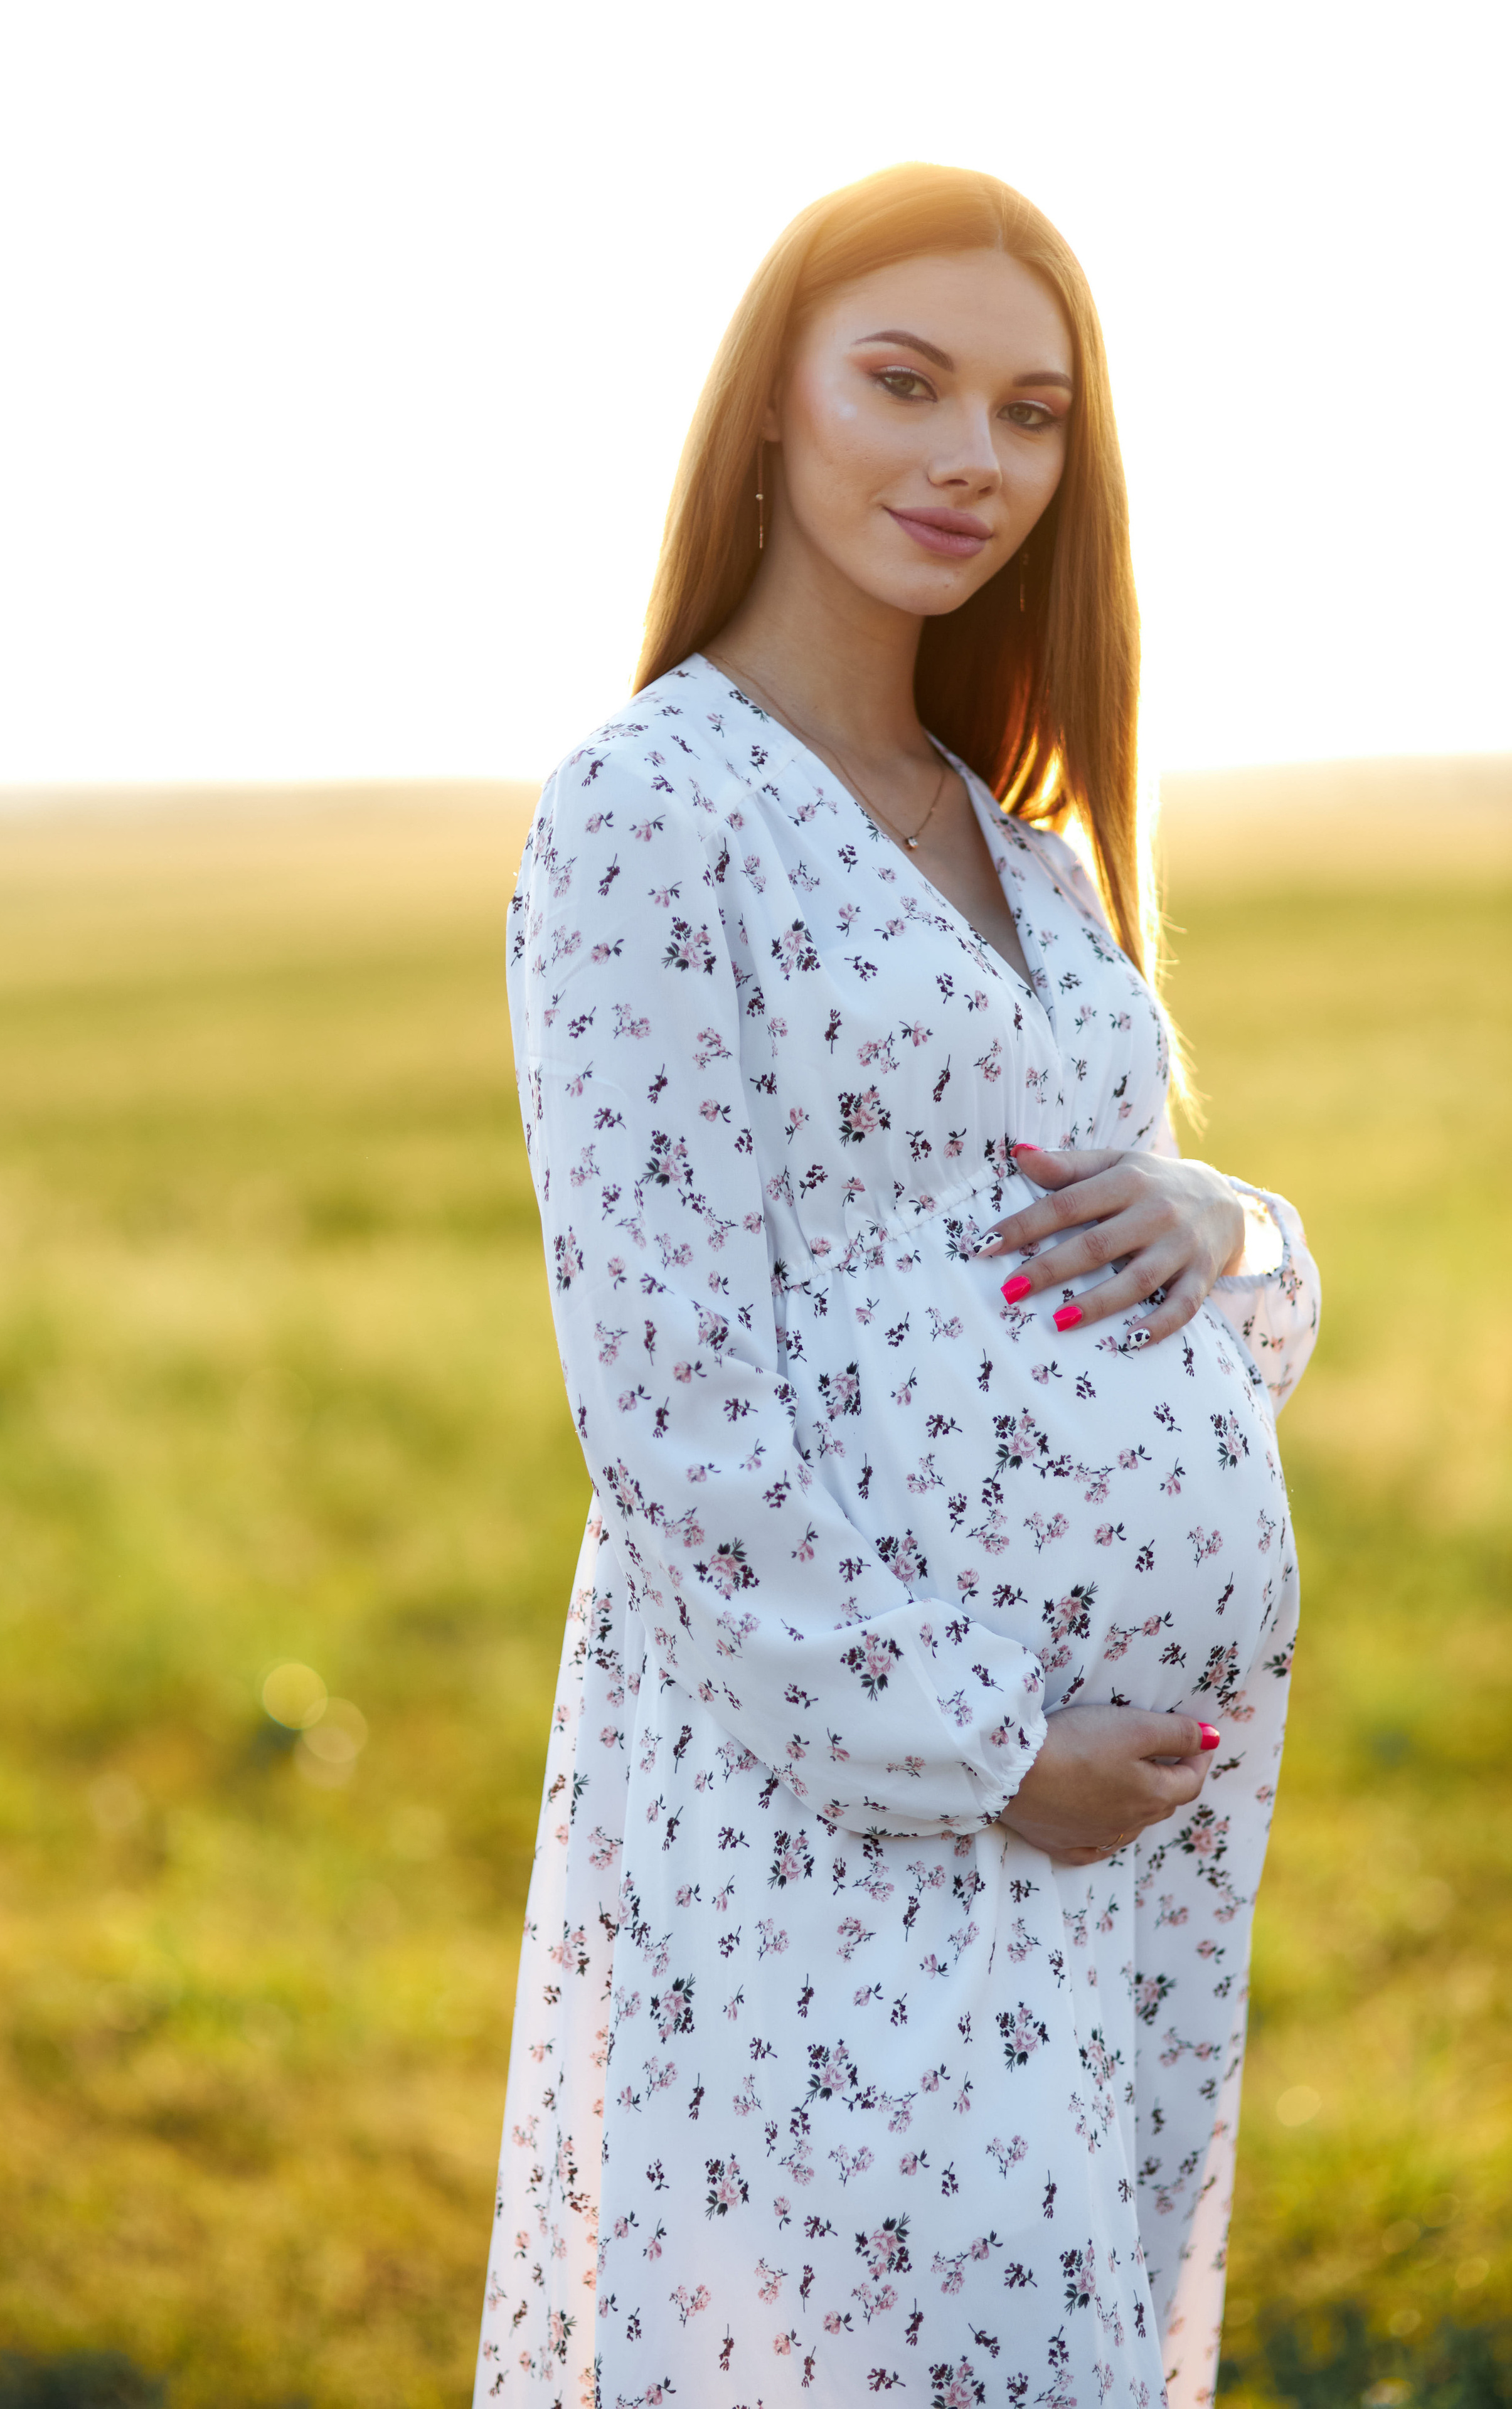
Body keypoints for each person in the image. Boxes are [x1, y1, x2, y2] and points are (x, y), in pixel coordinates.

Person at [476, 162, 1319, 2409]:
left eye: (1032, 414)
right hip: (861, 1799)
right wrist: (977, 1751)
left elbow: (1113, 1249)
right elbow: (668, 1411)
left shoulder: (1020, 835)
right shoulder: (652, 812)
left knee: (1071, 2341)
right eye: (909, 383)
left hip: (1125, 1838)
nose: (974, 458)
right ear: (774, 407)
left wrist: (1241, 1228)